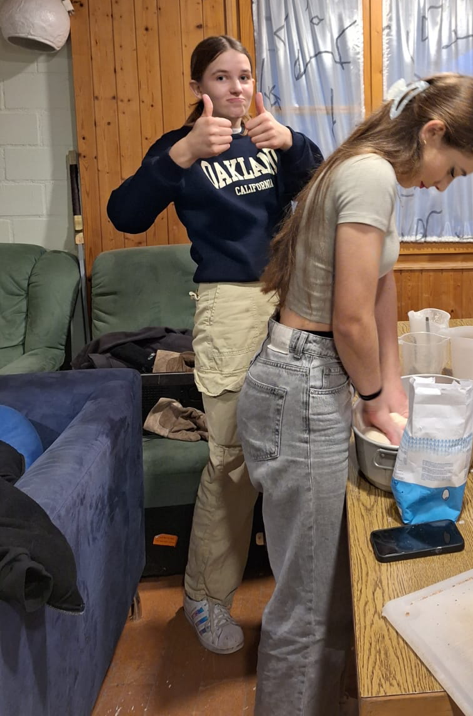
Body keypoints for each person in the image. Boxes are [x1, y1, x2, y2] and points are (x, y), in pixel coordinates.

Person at [237, 73, 473, 715]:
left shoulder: (374, 173)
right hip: (301, 382)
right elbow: (350, 319)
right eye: (454, 170)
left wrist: (392, 391)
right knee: (306, 608)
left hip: (314, 377)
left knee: (330, 591)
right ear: (432, 132)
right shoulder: (371, 175)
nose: (445, 185)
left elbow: (383, 290)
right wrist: (375, 392)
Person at [107, 34, 323, 654]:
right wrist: (181, 153)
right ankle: (204, 597)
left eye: (244, 76)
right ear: (198, 88)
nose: (236, 87)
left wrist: (294, 143)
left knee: (299, 451)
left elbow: (327, 190)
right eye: (222, 77)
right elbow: (125, 214)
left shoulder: (268, 140)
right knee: (231, 459)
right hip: (227, 305)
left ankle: (300, 593)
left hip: (290, 299)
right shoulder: (183, 148)